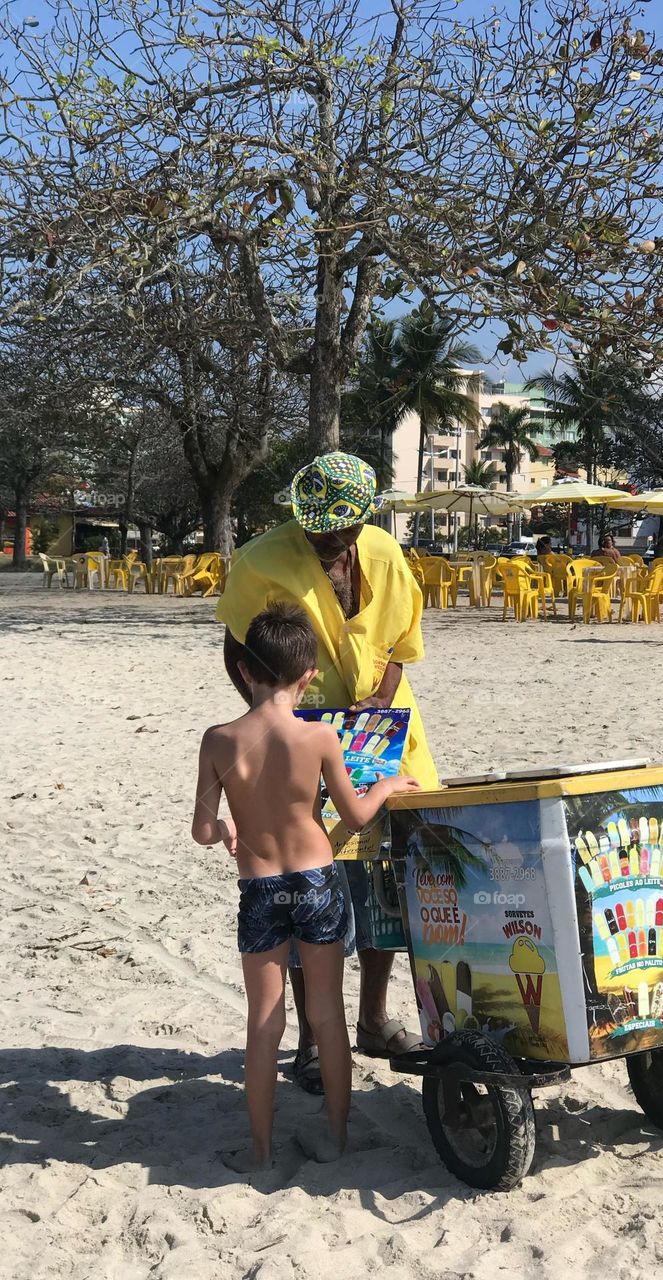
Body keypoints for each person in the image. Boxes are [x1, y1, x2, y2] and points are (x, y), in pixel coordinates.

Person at [216, 451, 440, 1094]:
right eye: (314, 528)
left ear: (361, 520)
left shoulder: (386, 555)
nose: (325, 541)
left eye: (337, 530)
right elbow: (238, 651)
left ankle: (371, 1019)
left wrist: (378, 700)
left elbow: (400, 649)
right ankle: (316, 1041)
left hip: (384, 733)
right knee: (319, 885)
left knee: (384, 884)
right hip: (303, 738)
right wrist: (275, 720)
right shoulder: (262, 560)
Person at [192, 602, 420, 1170]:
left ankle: (261, 1151)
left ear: (245, 671)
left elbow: (201, 830)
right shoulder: (319, 738)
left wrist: (226, 827)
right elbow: (357, 816)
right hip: (317, 882)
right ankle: (337, 1139)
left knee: (264, 1020)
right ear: (309, 676)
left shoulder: (218, 740)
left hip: (262, 887)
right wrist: (388, 784)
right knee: (326, 1013)